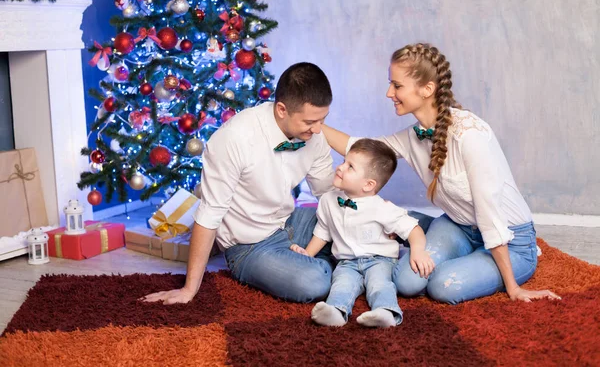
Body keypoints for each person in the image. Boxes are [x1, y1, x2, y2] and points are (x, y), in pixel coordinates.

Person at [322, 43, 561, 304]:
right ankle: (417, 226)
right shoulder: (413, 136)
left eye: (397, 85)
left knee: (443, 286)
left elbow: (489, 214)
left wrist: (513, 288)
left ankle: (416, 225)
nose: (389, 92)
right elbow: (359, 147)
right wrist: (313, 124)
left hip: (510, 238)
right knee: (407, 281)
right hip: (458, 226)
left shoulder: (470, 135)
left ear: (427, 89)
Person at [143, 62, 337, 304]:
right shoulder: (235, 138)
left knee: (359, 228)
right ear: (282, 109)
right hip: (249, 245)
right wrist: (188, 290)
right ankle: (344, 270)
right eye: (310, 122)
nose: (318, 130)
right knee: (313, 282)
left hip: (290, 221)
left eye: (322, 120)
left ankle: (330, 264)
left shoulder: (314, 136)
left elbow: (328, 194)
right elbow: (209, 214)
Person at [291, 139, 434, 327]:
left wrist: (417, 250)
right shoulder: (328, 200)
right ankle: (336, 312)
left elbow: (413, 229)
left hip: (379, 259)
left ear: (368, 185)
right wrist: (308, 254)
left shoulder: (381, 207)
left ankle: (386, 312)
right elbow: (323, 231)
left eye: (350, 167)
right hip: (346, 262)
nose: (340, 168)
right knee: (341, 285)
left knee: (379, 285)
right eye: (343, 161)